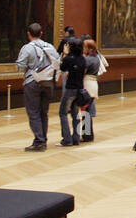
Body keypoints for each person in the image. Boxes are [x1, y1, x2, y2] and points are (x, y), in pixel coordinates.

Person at [16, 22, 58, 151]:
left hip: (32, 82)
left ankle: (39, 141)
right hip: (48, 82)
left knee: (33, 112)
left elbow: (20, 67)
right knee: (43, 112)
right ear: (41, 33)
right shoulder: (50, 46)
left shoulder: (27, 48)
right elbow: (57, 62)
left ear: (28, 34)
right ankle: (42, 139)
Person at [57, 37, 87, 147]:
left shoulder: (69, 59)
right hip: (79, 90)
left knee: (62, 113)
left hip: (70, 89)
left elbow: (62, 67)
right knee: (75, 115)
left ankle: (67, 139)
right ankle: (76, 138)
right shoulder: (83, 59)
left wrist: (65, 54)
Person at [80, 36, 106, 142]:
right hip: (93, 83)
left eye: (84, 47)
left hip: (87, 84)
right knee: (87, 111)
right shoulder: (96, 58)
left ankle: (87, 135)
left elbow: (82, 71)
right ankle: (87, 134)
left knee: (86, 112)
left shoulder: (88, 59)